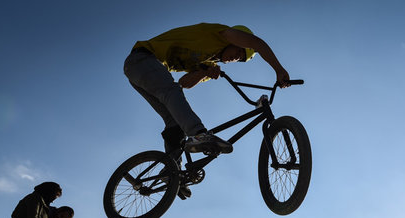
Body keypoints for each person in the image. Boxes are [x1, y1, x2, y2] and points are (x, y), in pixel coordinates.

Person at [123, 22, 291, 199]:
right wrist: (279, 70)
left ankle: (171, 173)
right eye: (239, 51)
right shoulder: (220, 34)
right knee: (171, 93)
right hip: (142, 59)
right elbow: (258, 43)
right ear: (237, 40)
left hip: (141, 71)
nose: (236, 58)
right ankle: (199, 134)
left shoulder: (208, 62)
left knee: (175, 122)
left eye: (240, 59)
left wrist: (204, 73)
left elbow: (184, 83)